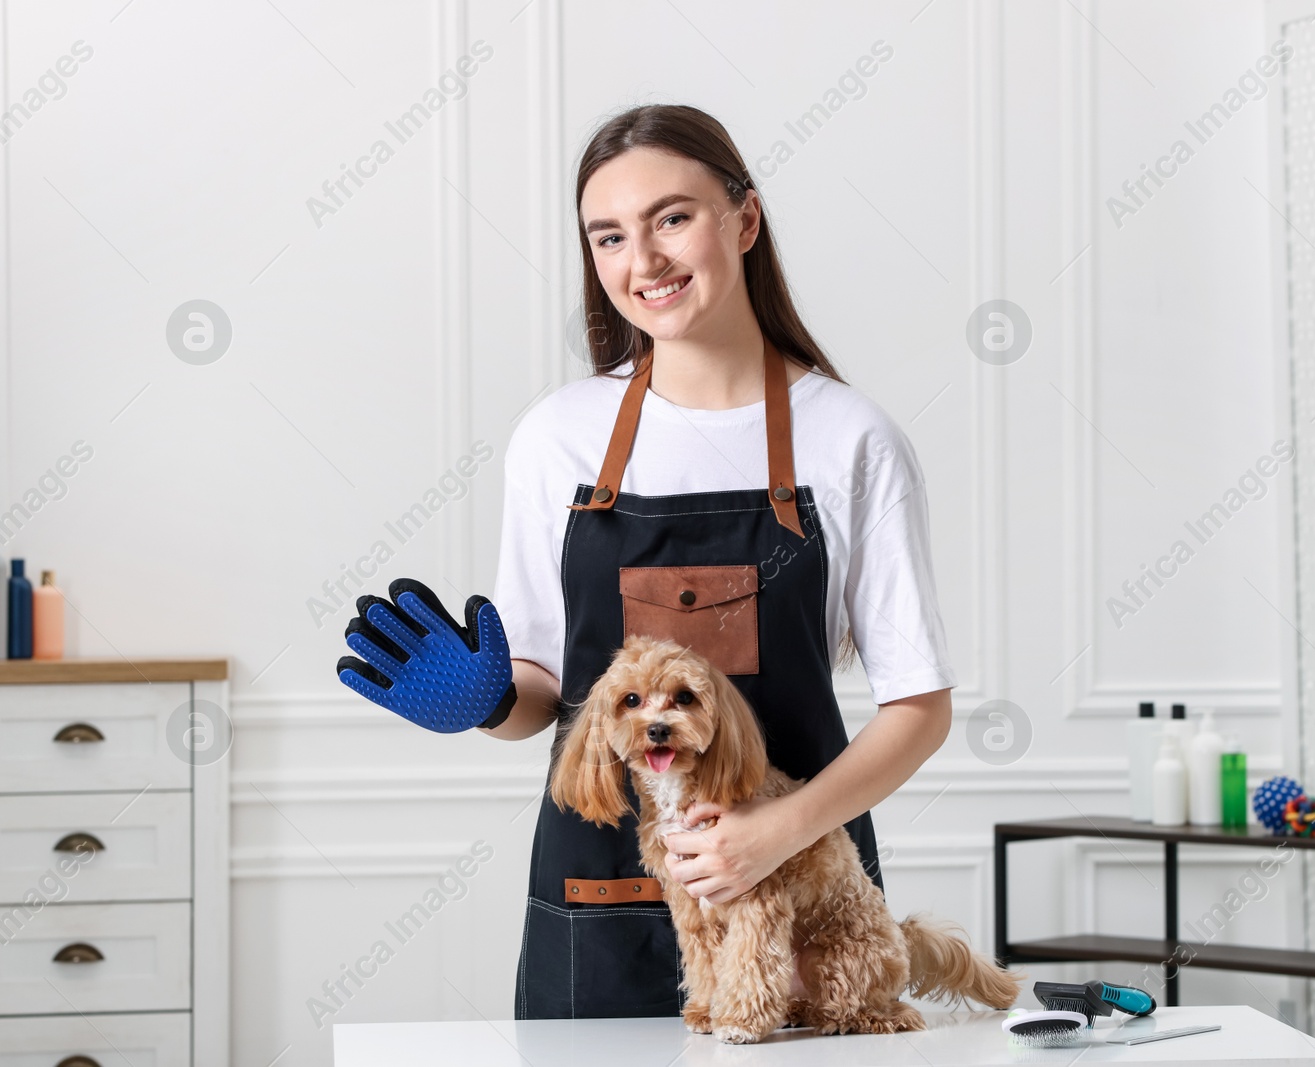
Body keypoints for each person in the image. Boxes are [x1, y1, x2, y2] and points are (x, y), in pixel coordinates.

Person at [335, 103, 957, 1020]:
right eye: (609, 236)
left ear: (744, 221)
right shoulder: (558, 436)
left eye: (673, 218)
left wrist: (777, 833)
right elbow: (545, 684)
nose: (644, 261)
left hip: (795, 900)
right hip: (599, 888)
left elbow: (921, 707)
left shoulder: (851, 438)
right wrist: (491, 701)